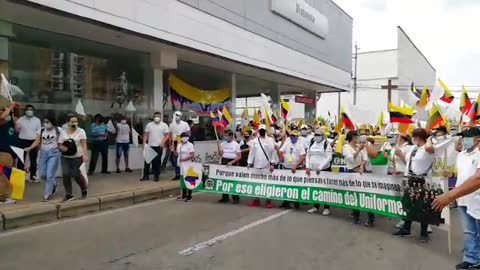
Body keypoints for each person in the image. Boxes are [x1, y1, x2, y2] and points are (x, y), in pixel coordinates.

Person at [433, 128, 480, 270]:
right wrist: (450, 175)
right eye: (463, 137)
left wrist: (449, 196)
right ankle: (471, 258)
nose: (464, 140)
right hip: (463, 200)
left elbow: (477, 178)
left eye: (468, 137)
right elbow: (461, 175)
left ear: (478, 138)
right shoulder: (462, 155)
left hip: (477, 201)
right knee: (469, 231)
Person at [394, 128, 435, 242]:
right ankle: (406, 228)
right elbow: (407, 162)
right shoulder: (413, 148)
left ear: (420, 137)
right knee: (408, 205)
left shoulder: (427, 149)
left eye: (415, 136)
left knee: (423, 207)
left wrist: (429, 138)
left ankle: (424, 233)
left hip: (422, 180)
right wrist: (400, 154)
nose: (413, 139)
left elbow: (429, 147)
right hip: (410, 179)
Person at [24, 116, 61, 201]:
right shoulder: (41, 130)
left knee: (50, 174)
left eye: (48, 121)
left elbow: (63, 139)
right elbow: (37, 141)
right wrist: (30, 148)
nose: (46, 123)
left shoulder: (58, 130)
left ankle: (47, 194)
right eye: (44, 121)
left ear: (52, 122)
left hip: (54, 154)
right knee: (42, 174)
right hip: (43, 154)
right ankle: (54, 183)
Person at [343, 130, 375, 226]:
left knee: (366, 195)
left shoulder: (360, 146)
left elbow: (365, 158)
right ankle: (356, 217)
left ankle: (371, 218)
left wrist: (361, 166)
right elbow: (351, 159)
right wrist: (358, 150)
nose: (358, 138)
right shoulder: (346, 147)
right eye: (357, 136)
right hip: (352, 172)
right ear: (353, 137)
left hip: (362, 172)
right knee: (354, 196)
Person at [58, 114, 88, 202]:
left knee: (76, 175)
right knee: (66, 174)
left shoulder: (81, 131)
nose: (74, 123)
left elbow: (84, 143)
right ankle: (69, 194)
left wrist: (85, 154)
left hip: (77, 157)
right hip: (65, 157)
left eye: (76, 121)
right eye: (72, 122)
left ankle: (84, 188)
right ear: (68, 123)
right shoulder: (63, 132)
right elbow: (60, 144)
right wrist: (63, 148)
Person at [247, 124, 277, 208]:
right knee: (256, 183)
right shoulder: (255, 141)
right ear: (259, 131)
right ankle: (256, 200)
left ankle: (268, 200)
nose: (262, 132)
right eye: (261, 131)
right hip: (256, 165)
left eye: (263, 130)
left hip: (266, 166)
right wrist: (249, 162)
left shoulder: (270, 140)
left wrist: (272, 163)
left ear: (265, 131)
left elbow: (273, 152)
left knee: (267, 184)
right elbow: (252, 152)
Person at [306, 127, 333, 215]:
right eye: (315, 134)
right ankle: (315, 206)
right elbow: (308, 155)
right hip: (313, 170)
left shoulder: (326, 144)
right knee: (315, 188)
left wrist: (320, 167)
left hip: (324, 170)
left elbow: (329, 157)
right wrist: (307, 167)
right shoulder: (312, 143)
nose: (316, 136)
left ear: (322, 136)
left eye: (318, 135)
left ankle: (326, 207)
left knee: (325, 189)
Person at [279, 130, 306, 209]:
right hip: (286, 167)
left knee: (296, 186)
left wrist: (295, 165)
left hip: (296, 169)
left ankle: (296, 202)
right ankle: (286, 202)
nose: (292, 137)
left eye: (294, 136)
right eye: (291, 136)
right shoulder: (287, 143)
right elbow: (280, 151)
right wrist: (282, 156)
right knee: (286, 186)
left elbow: (302, 156)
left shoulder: (300, 145)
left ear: (297, 137)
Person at [16, 104, 41, 182]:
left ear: (33, 111)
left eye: (31, 110)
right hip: (22, 140)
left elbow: (39, 133)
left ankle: (32, 176)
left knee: (33, 159)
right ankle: (20, 176)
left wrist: (38, 143)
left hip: (33, 141)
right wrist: (17, 126)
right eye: (27, 110)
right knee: (20, 159)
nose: (29, 111)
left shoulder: (37, 120)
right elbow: (17, 131)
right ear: (25, 111)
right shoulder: (20, 119)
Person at [141, 112, 169, 182]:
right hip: (150, 146)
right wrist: (144, 143)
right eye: (155, 116)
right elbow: (146, 135)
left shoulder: (164, 125)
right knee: (147, 161)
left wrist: (162, 142)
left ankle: (156, 176)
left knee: (157, 162)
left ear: (160, 117)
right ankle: (146, 176)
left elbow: (167, 135)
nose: (157, 117)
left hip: (159, 146)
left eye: (158, 116)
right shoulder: (149, 125)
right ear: (153, 117)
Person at [0, 102, 19, 204]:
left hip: (10, 154)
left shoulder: (9, 124)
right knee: (3, 176)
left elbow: (15, 119)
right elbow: (2, 117)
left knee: (5, 176)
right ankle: (2, 197)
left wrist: (14, 108)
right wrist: (10, 106)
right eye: (3, 111)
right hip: (3, 153)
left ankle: (2, 195)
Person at [218, 129, 241, 204]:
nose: (225, 137)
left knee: (233, 180)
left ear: (231, 136)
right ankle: (225, 197)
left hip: (232, 163)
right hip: (224, 161)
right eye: (224, 136)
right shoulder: (223, 143)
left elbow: (239, 156)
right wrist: (218, 146)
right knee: (224, 180)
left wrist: (232, 162)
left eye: (226, 136)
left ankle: (235, 198)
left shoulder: (236, 144)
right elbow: (221, 154)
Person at [169, 111, 191, 180]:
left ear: (180, 116)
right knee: (175, 159)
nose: (176, 116)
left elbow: (189, 133)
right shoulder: (171, 125)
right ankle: (177, 174)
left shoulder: (185, 124)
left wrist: (184, 138)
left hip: (183, 141)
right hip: (175, 142)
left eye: (178, 115)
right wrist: (170, 145)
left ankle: (185, 173)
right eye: (175, 115)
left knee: (184, 157)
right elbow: (170, 135)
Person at [177, 132, 195, 202]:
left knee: (189, 179)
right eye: (183, 136)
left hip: (188, 164)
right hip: (181, 165)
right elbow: (177, 154)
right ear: (181, 138)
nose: (185, 138)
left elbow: (192, 155)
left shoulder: (190, 145)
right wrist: (173, 150)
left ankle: (189, 195)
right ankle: (183, 195)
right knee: (182, 179)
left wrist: (184, 159)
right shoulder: (179, 145)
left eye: (186, 136)